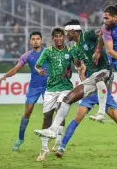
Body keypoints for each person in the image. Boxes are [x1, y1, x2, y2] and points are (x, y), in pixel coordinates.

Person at [34, 20, 117, 163]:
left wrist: (97, 50)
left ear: (73, 31)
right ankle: (56, 135)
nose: (65, 35)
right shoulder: (75, 48)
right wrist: (78, 69)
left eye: (67, 32)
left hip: (104, 75)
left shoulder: (88, 35)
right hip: (92, 86)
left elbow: (102, 31)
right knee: (68, 100)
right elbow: (79, 65)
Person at [0, 31, 48, 152]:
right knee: (28, 112)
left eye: (37, 39)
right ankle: (20, 139)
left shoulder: (48, 52)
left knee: (49, 114)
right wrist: (6, 75)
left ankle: (51, 141)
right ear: (30, 41)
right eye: (33, 39)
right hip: (34, 87)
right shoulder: (26, 56)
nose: (35, 41)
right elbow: (16, 69)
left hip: (48, 87)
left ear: (41, 40)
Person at [33, 27, 73, 161]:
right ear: (53, 39)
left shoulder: (70, 51)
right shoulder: (48, 52)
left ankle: (58, 141)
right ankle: (44, 149)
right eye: (56, 36)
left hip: (66, 87)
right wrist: (39, 71)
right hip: (51, 88)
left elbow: (78, 64)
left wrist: (76, 69)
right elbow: (37, 66)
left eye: (60, 36)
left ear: (64, 37)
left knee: (61, 107)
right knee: (47, 117)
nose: (58, 38)